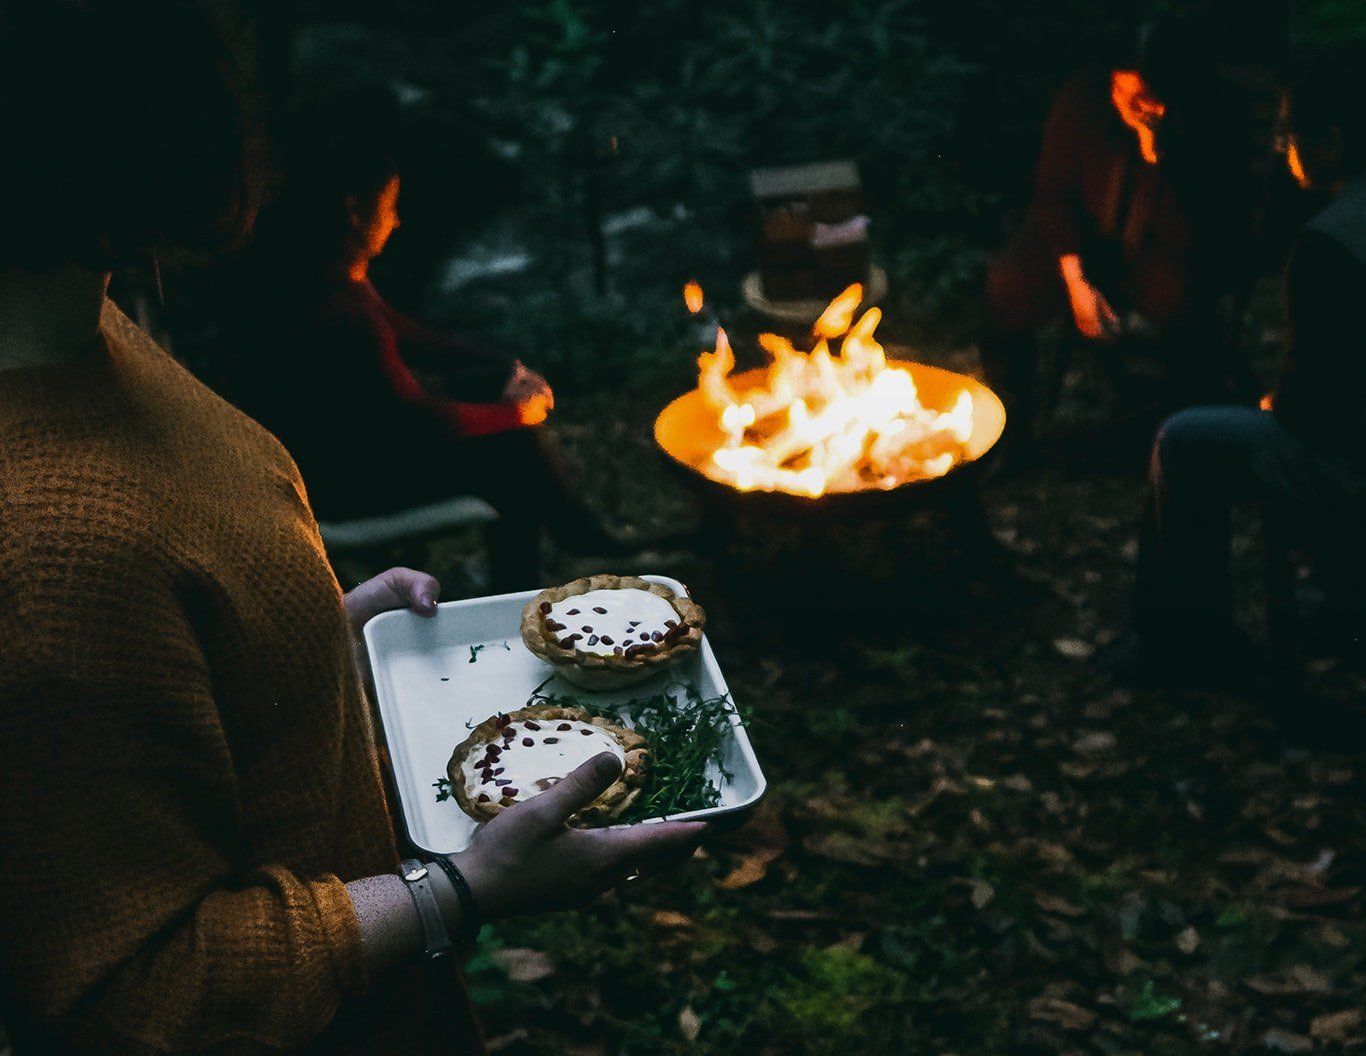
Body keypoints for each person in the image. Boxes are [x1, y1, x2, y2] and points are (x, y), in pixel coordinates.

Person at [0, 4, 705, 1053]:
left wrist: (310, 636)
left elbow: (142, 693)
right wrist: (458, 892)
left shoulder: (84, 324)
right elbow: (135, 992)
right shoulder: (40, 546)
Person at [224, 84, 622, 591]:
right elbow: (420, 420)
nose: (397, 218)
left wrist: (503, 366)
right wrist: (515, 413)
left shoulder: (323, 266)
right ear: (353, 209)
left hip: (344, 442)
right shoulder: (338, 311)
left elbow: (400, 329)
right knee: (511, 454)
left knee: (483, 385)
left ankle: (571, 533)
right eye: (389, 205)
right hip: (339, 480)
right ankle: (531, 574)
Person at [1131, 49, 1366, 686]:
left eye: (1291, 133)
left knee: (1184, 441)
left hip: (1347, 464)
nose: (1283, 149)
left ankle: (1188, 641)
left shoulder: (1333, 239)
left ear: (1333, 140)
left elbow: (1320, 402)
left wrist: (1275, 407)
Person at [981, 19, 1253, 455]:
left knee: (1185, 304)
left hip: (1155, 251)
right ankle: (1014, 428)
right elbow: (1053, 195)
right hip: (1083, 239)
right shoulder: (1086, 97)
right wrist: (1076, 280)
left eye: (1142, 96)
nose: (1127, 103)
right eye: (1119, 91)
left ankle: (1177, 432)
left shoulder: (1197, 119)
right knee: (1007, 285)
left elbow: (1190, 237)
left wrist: (1155, 152)